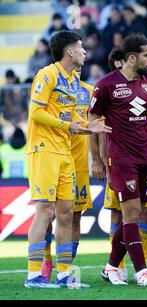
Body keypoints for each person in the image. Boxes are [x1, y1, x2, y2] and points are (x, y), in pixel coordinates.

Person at [89, 34, 147, 286]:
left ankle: (110, 267)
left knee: (138, 212)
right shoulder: (106, 85)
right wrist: (97, 159)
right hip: (121, 159)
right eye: (146, 55)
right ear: (132, 58)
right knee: (130, 215)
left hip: (146, 158)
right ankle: (142, 271)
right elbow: (92, 121)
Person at [24, 30, 111, 289]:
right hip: (44, 150)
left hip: (65, 154)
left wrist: (89, 128)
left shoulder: (73, 81)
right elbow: (36, 112)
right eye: (81, 47)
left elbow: (73, 122)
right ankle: (33, 276)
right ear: (70, 51)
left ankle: (63, 274)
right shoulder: (47, 75)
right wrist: (71, 125)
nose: (85, 51)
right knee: (45, 211)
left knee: (65, 213)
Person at [40, 66, 95, 282]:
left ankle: (66, 265)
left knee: (74, 215)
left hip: (79, 163)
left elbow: (93, 126)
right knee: (47, 213)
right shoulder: (55, 89)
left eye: (82, 67)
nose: (78, 69)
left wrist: (97, 159)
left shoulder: (89, 91)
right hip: (53, 157)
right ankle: (46, 260)